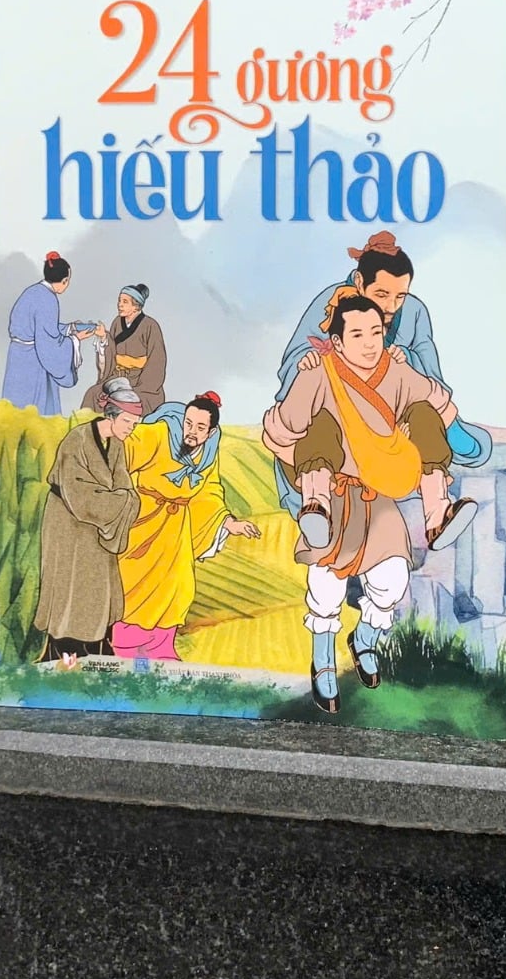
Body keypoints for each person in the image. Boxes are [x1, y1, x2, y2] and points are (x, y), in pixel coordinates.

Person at [261, 292, 478, 713]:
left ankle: (437, 514)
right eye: (357, 334)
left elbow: (436, 400)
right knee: (326, 586)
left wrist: (415, 379)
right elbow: (283, 428)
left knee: (392, 580)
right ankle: (323, 661)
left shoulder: (396, 372)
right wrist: (305, 381)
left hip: (376, 496)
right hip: (332, 498)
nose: (369, 343)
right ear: (338, 341)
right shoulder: (318, 374)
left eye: (376, 332)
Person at [273, 232, 490, 523]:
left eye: (400, 295)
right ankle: (317, 505)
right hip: (337, 413)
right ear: (359, 282)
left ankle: (438, 511)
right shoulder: (333, 305)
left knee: (427, 416)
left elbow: (429, 372)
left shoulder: (414, 311)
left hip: (392, 414)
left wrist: (403, 359)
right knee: (320, 428)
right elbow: (297, 358)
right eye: (382, 294)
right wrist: (312, 364)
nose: (391, 306)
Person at [113, 393, 259, 660]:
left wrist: (228, 522)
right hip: (142, 520)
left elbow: (208, 492)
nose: (191, 431)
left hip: (176, 529)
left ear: (210, 431)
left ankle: (161, 651)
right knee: (134, 586)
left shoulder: (208, 454)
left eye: (200, 427)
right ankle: (126, 649)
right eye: (188, 423)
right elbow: (122, 455)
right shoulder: (159, 432)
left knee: (178, 587)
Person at [33, 377, 141, 659]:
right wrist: (121, 501)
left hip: (99, 526)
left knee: (98, 585)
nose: (130, 428)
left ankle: (96, 645)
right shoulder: (77, 440)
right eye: (127, 421)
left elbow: (125, 485)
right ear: (111, 416)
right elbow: (79, 494)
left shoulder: (116, 445)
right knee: (69, 585)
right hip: (67, 523)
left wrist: (124, 499)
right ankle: (64, 649)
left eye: (134, 424)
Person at [2, 252, 94, 414]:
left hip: (19, 355)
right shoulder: (48, 299)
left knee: (15, 411)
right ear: (64, 281)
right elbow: (48, 342)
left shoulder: (33, 291)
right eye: (68, 280)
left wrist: (69, 328)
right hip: (32, 360)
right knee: (35, 411)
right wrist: (75, 340)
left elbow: (41, 328)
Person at [81, 284, 168, 414]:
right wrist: (104, 337)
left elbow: (157, 362)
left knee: (128, 401)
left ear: (136, 305)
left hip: (140, 383)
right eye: (119, 301)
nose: (119, 305)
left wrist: (140, 388)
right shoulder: (117, 322)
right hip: (117, 378)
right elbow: (111, 351)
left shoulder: (151, 326)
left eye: (125, 302)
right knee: (93, 394)